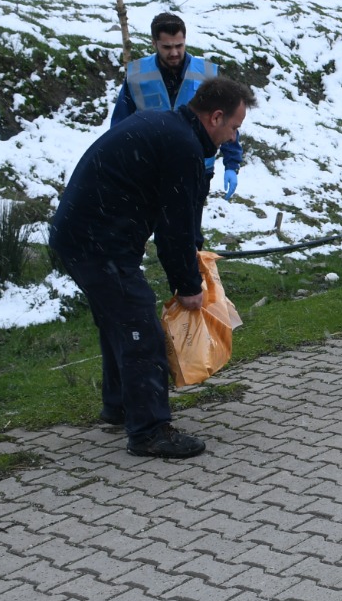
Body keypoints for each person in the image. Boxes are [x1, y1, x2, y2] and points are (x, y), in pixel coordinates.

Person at [51, 76, 254, 458]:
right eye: (233, 128)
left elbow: (181, 213)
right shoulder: (180, 146)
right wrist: (188, 286)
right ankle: (149, 431)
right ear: (215, 117)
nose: (232, 138)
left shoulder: (171, 129)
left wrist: (193, 254)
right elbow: (172, 229)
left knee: (120, 320)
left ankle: (121, 405)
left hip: (87, 235)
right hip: (97, 241)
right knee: (139, 326)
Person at [112, 12, 244, 207]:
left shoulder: (207, 74)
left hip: (196, 169)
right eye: (167, 47)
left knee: (187, 231)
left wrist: (231, 163)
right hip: (151, 170)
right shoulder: (137, 75)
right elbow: (120, 126)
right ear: (154, 43)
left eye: (179, 46)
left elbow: (225, 122)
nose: (174, 52)